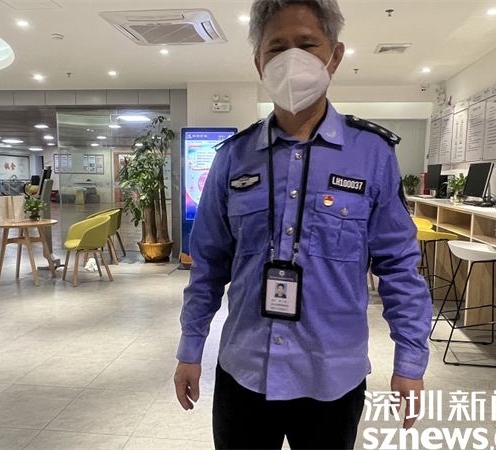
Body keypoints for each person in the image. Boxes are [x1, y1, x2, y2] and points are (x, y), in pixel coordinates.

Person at [174, 1, 432, 449]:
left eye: (307, 44)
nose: (292, 59)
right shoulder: (233, 158)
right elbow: (209, 264)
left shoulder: (372, 154)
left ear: (334, 55)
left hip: (332, 376)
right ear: (260, 63)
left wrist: (410, 361)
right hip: (244, 372)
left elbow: (398, 264)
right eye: (277, 48)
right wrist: (190, 347)